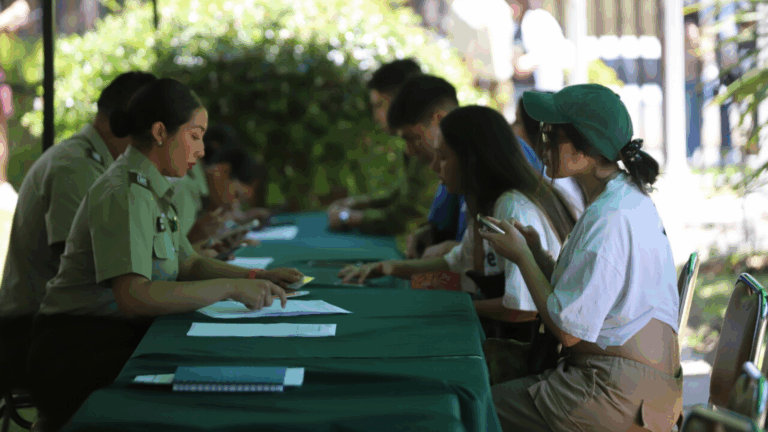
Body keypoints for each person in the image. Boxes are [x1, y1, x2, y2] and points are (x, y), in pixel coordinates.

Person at [26, 78, 303, 432]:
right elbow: (133, 296)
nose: (201, 151)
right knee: (202, 384)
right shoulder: (125, 192)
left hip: (112, 337)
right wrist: (229, 288)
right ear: (160, 133)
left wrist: (255, 277)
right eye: (194, 136)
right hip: (76, 351)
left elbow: (189, 263)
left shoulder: (151, 187)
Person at [483, 84, 682, 431]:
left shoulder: (610, 217)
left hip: (614, 391)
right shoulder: (618, 198)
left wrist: (522, 258)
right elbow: (586, 297)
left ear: (585, 150)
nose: (542, 146)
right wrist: (538, 255)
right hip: (626, 382)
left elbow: (567, 330)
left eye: (551, 136)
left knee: (475, 411)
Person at [338, 105, 575, 326]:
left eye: (443, 157)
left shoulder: (512, 207)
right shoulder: (486, 202)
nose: (434, 166)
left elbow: (522, 311)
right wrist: (387, 267)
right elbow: (454, 261)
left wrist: (452, 306)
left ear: (472, 160)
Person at [0, 72, 157, 395]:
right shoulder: (75, 167)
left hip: (65, 323)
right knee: (156, 357)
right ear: (120, 123)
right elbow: (88, 268)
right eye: (152, 128)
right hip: (36, 332)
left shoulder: (102, 166)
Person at [387, 74, 543, 260]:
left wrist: (461, 252)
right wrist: (428, 232)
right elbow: (440, 226)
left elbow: (502, 258)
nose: (409, 151)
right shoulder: (454, 171)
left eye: (412, 138)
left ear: (439, 119)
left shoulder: (506, 183)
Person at [327, 58, 430, 235]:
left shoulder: (431, 143)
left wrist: (347, 217)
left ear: (402, 100)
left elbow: (407, 217)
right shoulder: (417, 140)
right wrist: (359, 203)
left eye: (379, 105)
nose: (376, 115)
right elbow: (403, 197)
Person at [512, 95, 586, 215]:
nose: (511, 127)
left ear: (535, 130)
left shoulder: (551, 177)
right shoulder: (555, 173)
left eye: (518, 122)